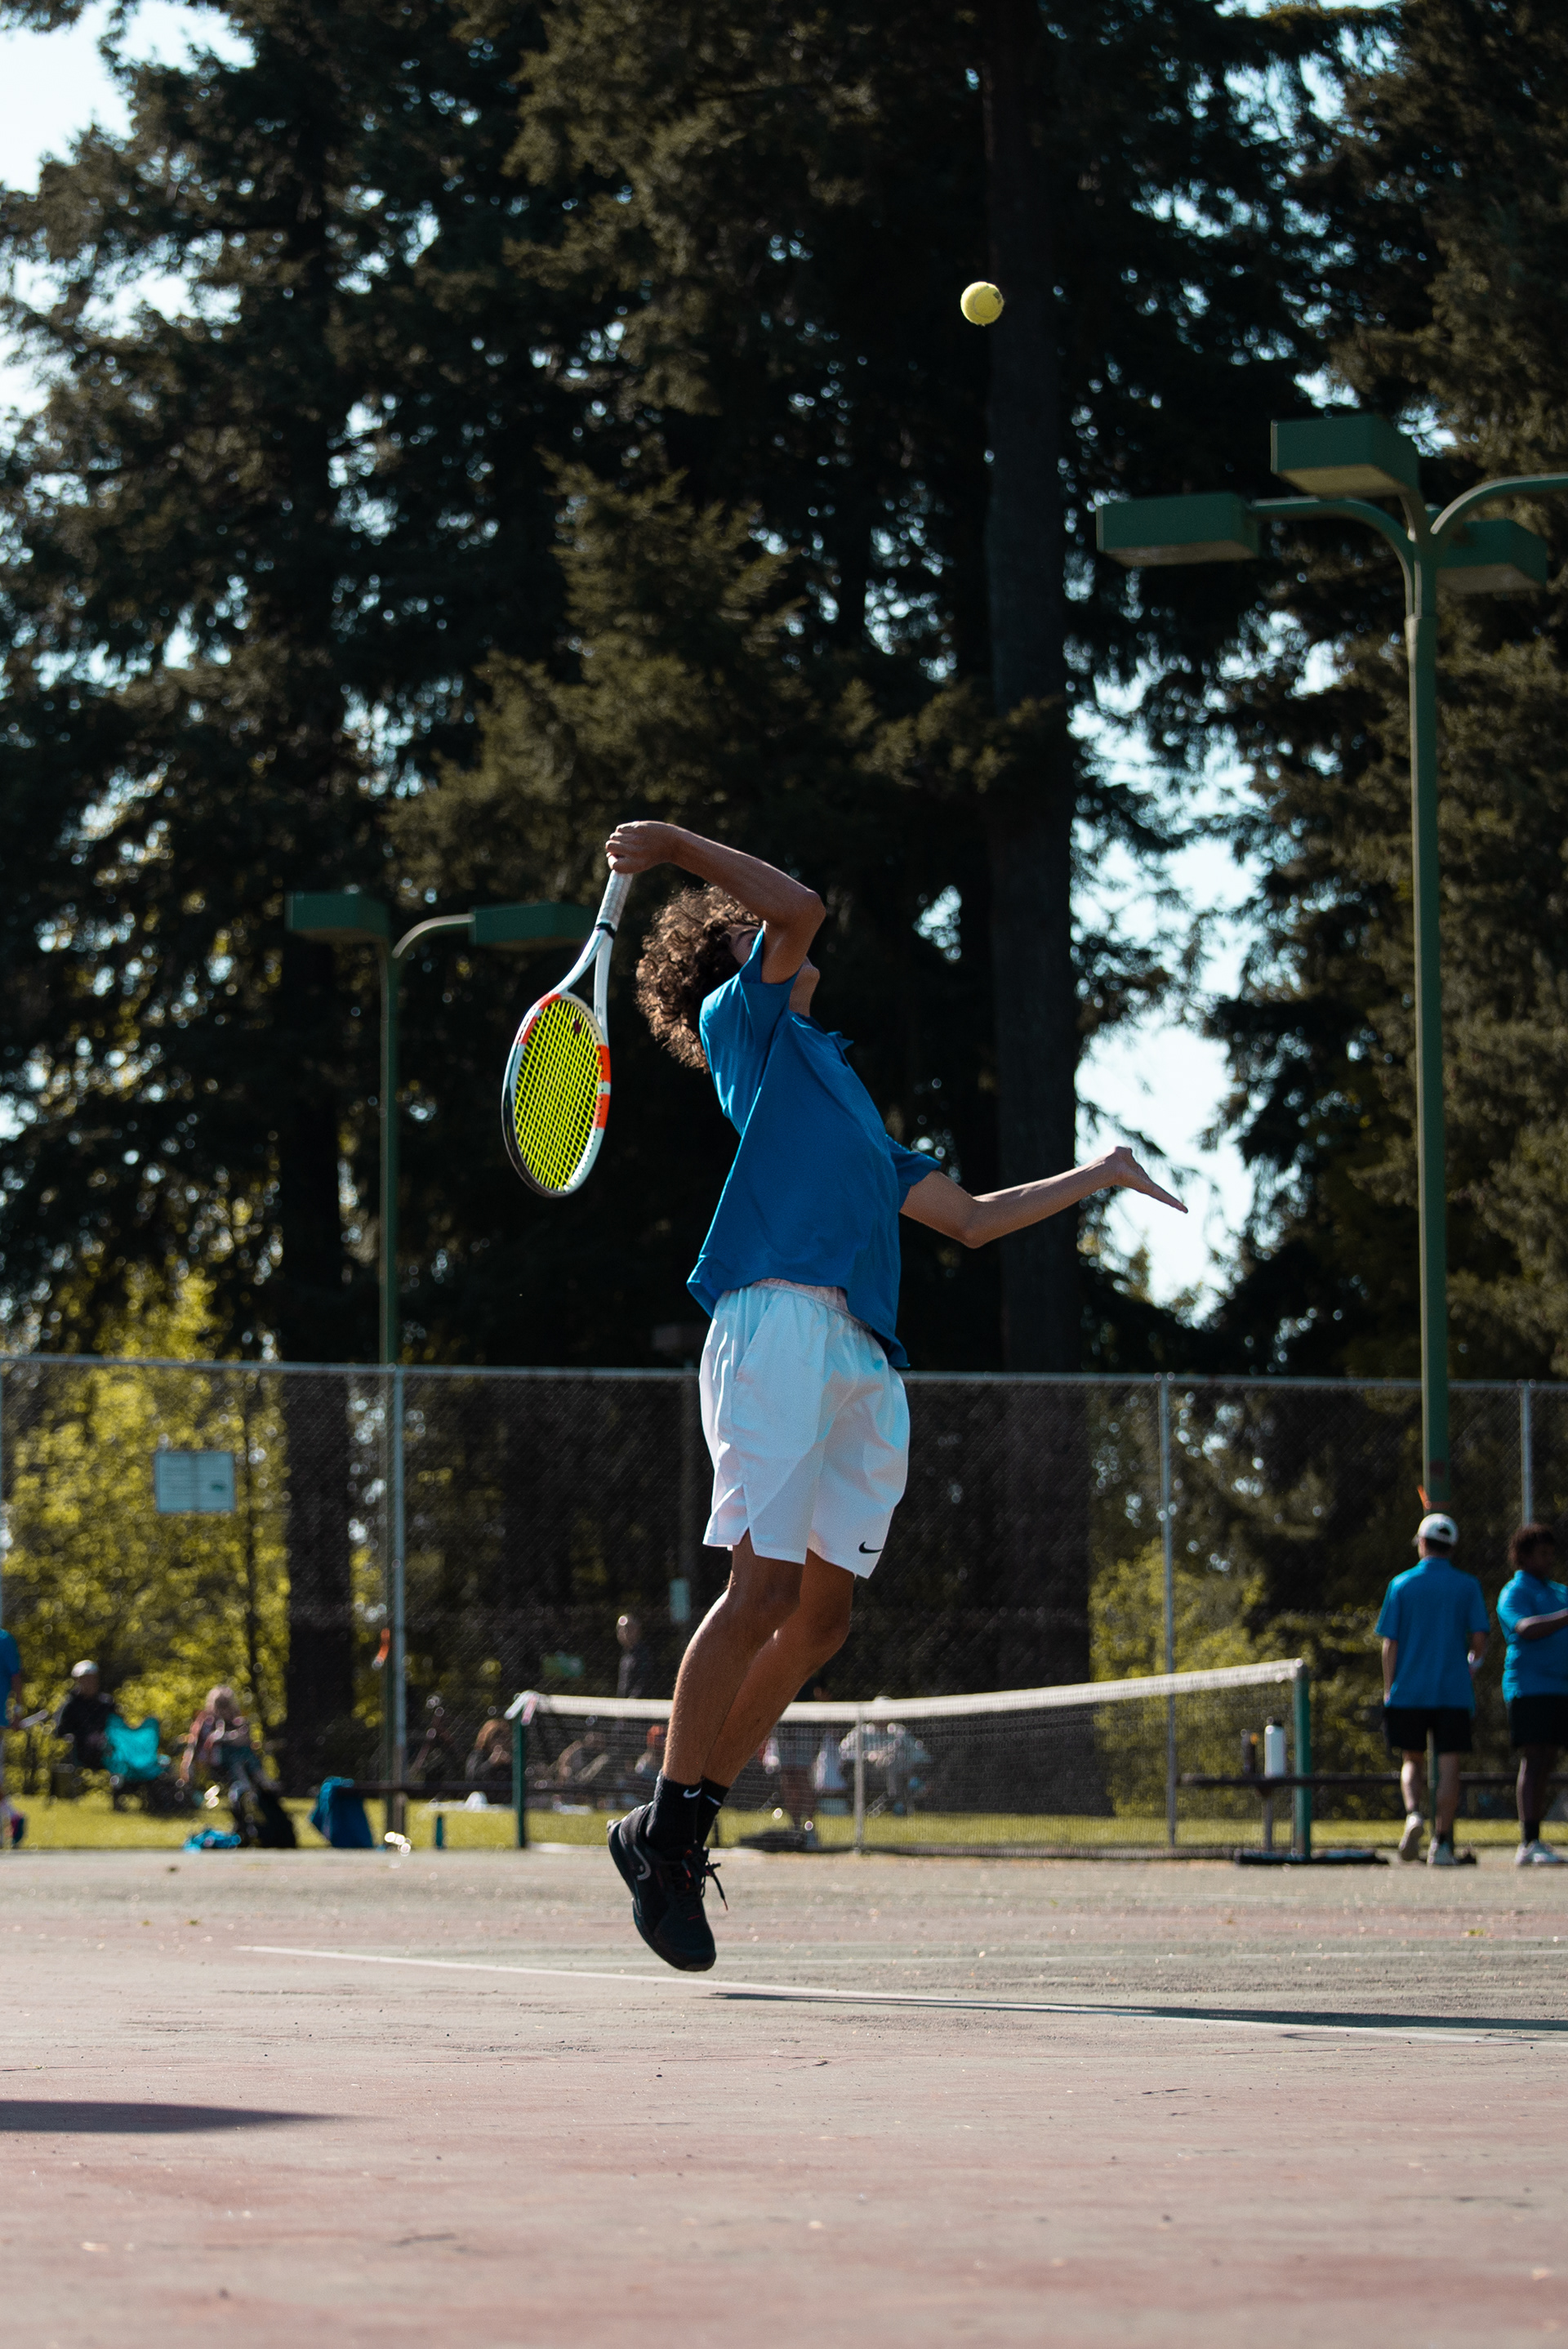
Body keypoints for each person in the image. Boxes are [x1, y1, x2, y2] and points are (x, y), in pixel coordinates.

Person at [601, 821, 1185, 1970]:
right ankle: (667, 1832)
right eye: (758, 929)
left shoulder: (847, 1096)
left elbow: (967, 1219)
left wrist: (1101, 1174)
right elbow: (801, 907)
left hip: (862, 1355)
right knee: (759, 1589)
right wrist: (671, 844)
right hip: (772, 1322)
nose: (793, 937)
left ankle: (669, 1826)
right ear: (741, 951)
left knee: (823, 1619)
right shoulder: (746, 1028)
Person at [1376, 1511, 1489, 1866]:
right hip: (1453, 1691)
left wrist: (1388, 1688)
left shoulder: (1401, 1584)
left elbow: (1389, 1644)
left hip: (1408, 1690)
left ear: (1422, 1544)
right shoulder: (1468, 1585)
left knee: (1412, 1759)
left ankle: (1413, 1815)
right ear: (1452, 1547)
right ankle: (1441, 1843)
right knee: (1449, 1762)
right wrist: (1472, 1664)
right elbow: (1481, 1638)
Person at [1496, 1522, 1568, 1867]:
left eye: (1551, 1554)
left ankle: (1538, 1838)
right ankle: (1528, 1841)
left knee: (1550, 1761)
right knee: (1535, 1759)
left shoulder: (1558, 1591)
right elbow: (1525, 1627)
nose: (1548, 1560)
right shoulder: (1515, 1592)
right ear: (1523, 1556)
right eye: (1542, 1554)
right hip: (1529, 1688)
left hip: (1560, 1688)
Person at [55, 1660, 114, 1772]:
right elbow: (60, 1731)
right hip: (80, 1754)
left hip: (107, 1751)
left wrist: (104, 1736)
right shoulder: (70, 1705)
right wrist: (85, 1738)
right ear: (78, 1680)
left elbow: (118, 1726)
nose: (90, 1682)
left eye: (92, 1678)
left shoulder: (107, 1703)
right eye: (86, 1678)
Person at [616, 1612, 654, 1700]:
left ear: (637, 1630)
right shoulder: (625, 1656)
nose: (622, 1632)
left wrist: (633, 1699)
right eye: (619, 1629)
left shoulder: (643, 1654)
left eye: (627, 1628)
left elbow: (644, 1681)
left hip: (640, 1707)